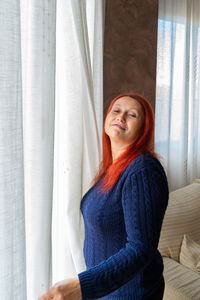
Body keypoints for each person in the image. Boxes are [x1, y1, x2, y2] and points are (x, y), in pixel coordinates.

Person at [39, 93, 169, 300]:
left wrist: (79, 286)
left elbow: (141, 248)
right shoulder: (114, 168)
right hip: (108, 290)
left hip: (131, 293)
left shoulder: (142, 170)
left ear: (144, 129)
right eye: (116, 111)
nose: (121, 117)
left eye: (132, 114)